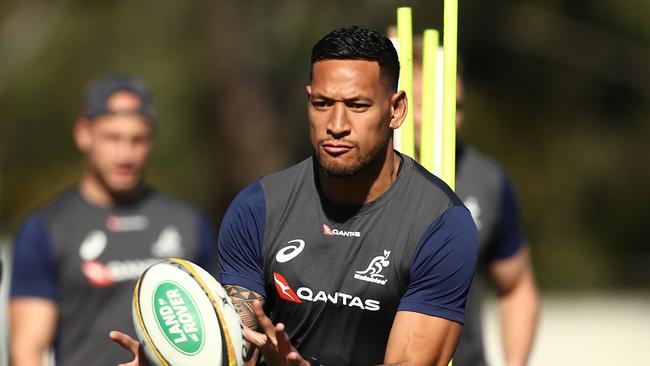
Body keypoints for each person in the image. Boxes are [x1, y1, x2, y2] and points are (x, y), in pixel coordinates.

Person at [112, 25, 479, 366]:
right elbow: (236, 347)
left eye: (357, 106)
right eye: (322, 104)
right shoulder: (259, 207)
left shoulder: (441, 225)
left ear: (396, 109)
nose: (336, 125)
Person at [9, 75, 217, 366]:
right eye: (113, 137)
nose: (126, 154)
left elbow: (213, 328)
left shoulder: (189, 224)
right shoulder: (45, 229)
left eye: (138, 140)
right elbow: (27, 351)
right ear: (84, 134)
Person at [411, 48, 540, 366]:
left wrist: (516, 360)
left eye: (455, 106)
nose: (446, 119)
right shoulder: (355, 179)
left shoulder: (488, 180)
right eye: (427, 106)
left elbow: (516, 284)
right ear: (394, 105)